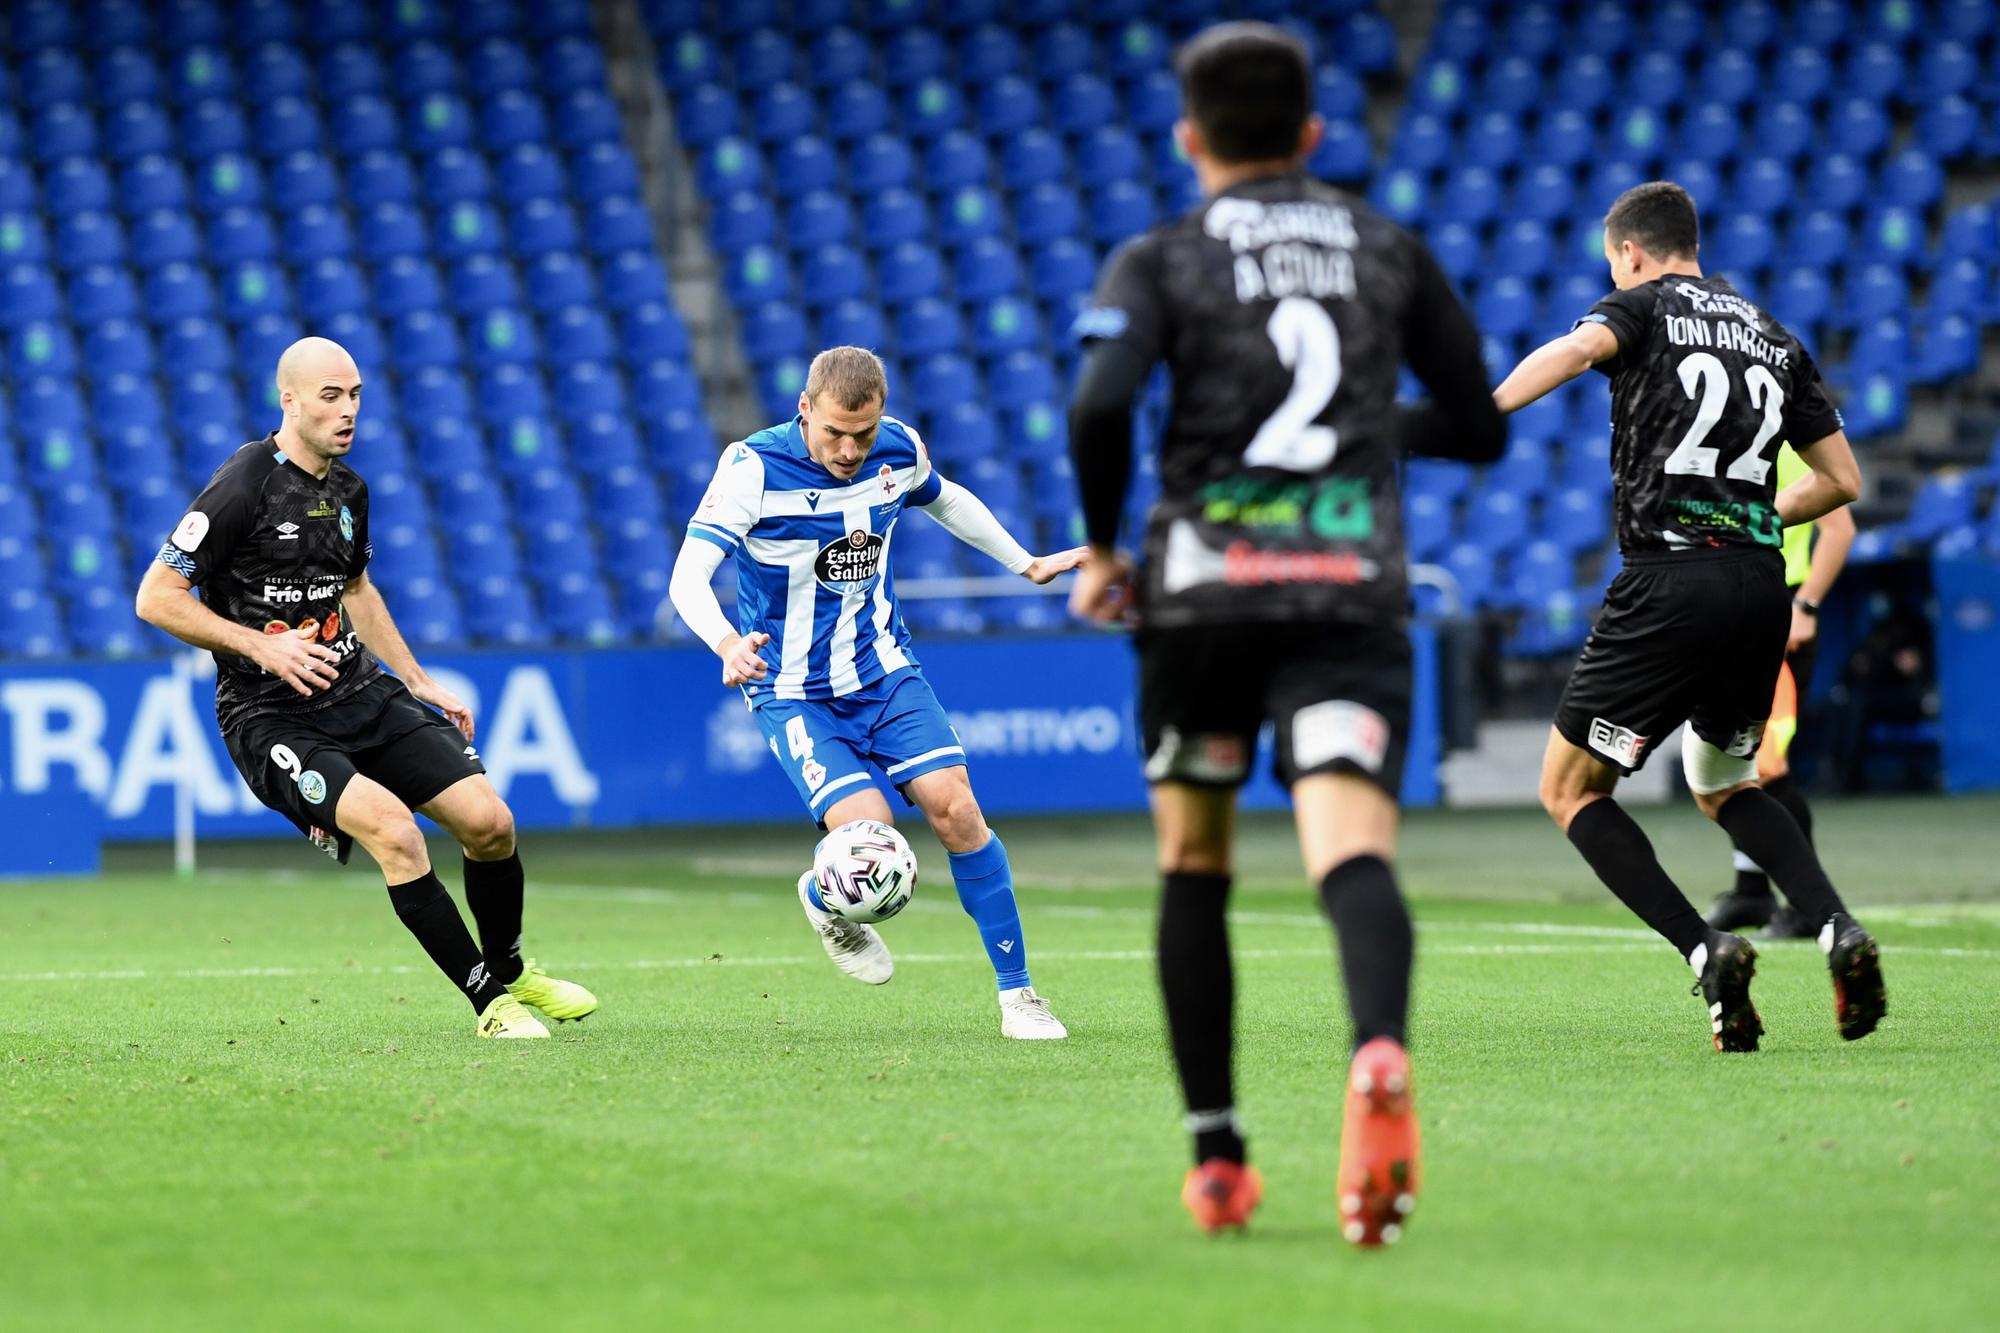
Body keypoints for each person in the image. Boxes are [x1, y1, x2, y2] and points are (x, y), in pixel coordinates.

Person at [1065, 22, 1505, 1245]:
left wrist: (1102, 551)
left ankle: (1217, 1156)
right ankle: (1374, 1050)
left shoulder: (1160, 255)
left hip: (1203, 599)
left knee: (1194, 865)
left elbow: (1100, 402)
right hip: (1345, 596)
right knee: (1348, 850)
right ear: (1314, 134)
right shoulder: (1384, 247)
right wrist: (1373, 430)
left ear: (1187, 137)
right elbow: (1478, 428)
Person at [1491, 182, 1886, 1054]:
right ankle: (1836, 928)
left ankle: (1705, 949)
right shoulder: (1772, 334)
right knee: (1727, 783)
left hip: (1668, 581)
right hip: (1757, 591)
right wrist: (1748, 519)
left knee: (1569, 790)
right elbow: (1843, 482)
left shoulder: (1637, 308)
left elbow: (1580, 347)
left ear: (1630, 251)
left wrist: (1483, 413)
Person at [135, 337, 594, 1040]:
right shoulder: (242, 485)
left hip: (360, 691)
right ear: (288, 400)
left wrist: (416, 679)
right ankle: (490, 1007)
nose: (348, 410)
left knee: (489, 823)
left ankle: (509, 967)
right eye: (330, 396)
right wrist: (260, 643)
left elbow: (356, 589)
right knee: (397, 834)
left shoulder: (349, 489)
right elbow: (156, 596)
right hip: (271, 716)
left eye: (354, 395)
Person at [667, 346, 1084, 1040]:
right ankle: (827, 897)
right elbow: (688, 574)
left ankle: (1020, 997)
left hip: (883, 670)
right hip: (792, 688)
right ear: (805, 409)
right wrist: (724, 642)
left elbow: (945, 498)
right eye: (834, 432)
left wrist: (1026, 562)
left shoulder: (898, 449)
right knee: (872, 837)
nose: (850, 449)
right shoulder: (753, 468)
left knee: (956, 808)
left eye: (863, 433)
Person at [1705, 446, 1855, 938]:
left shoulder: (1791, 445)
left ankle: (1808, 906)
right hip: (1732, 611)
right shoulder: (1727, 442)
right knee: (1732, 761)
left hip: (1779, 615)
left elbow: (1838, 530)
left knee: (1767, 767)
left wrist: (1806, 606)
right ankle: (1751, 890)